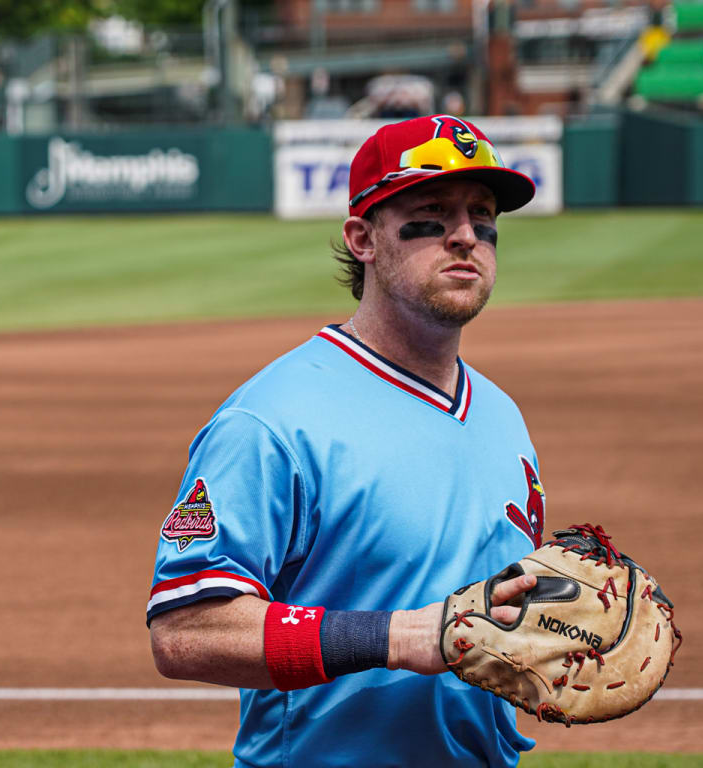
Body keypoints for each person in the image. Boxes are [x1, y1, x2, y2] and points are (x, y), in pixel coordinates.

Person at [146, 114, 547, 767]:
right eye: (433, 213)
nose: (466, 236)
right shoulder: (271, 421)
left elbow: (481, 622)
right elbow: (185, 631)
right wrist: (397, 636)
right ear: (363, 238)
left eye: (482, 214)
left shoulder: (503, 417)